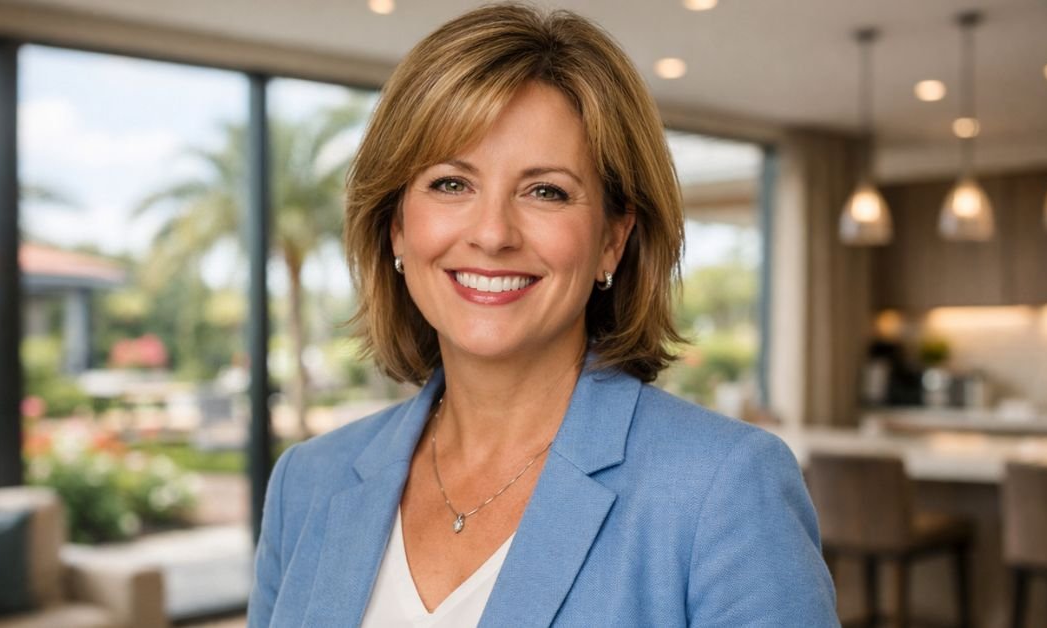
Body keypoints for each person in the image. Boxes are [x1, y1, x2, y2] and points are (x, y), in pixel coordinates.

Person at [248, 4, 838, 626]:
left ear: (612, 239)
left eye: (546, 191)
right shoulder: (307, 484)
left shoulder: (725, 490)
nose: (493, 233)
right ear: (397, 226)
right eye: (452, 183)